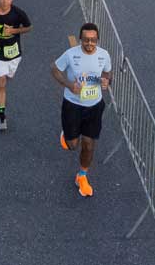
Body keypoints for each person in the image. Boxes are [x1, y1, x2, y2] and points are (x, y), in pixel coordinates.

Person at [52, 23, 112, 197]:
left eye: (93, 40)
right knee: (72, 145)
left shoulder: (104, 55)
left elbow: (108, 73)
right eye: (86, 40)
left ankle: (82, 176)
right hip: (73, 105)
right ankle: (67, 134)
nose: (89, 43)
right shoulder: (71, 55)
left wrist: (107, 81)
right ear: (80, 40)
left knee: (88, 143)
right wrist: (69, 85)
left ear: (97, 40)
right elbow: (54, 69)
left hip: (95, 106)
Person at [0, 0, 31, 132]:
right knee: (1, 83)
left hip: (13, 54)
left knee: (7, 79)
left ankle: (3, 87)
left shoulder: (18, 14)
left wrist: (14, 30)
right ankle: (2, 117)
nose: (5, 1)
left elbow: (28, 27)